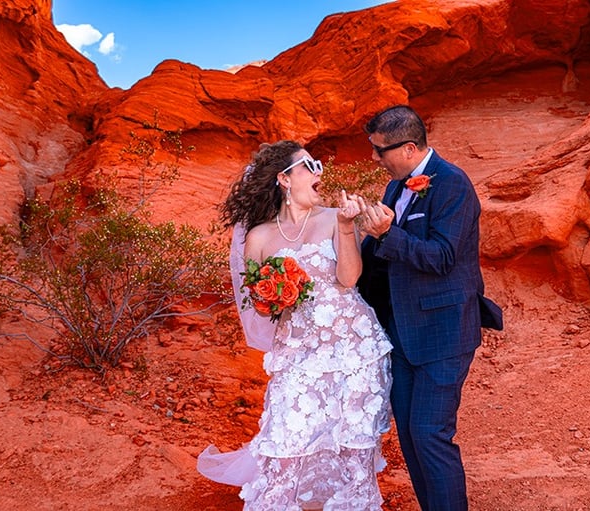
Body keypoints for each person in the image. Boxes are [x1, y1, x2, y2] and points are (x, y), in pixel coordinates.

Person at [197, 140, 393, 511]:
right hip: (298, 358)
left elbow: (349, 278)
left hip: (355, 354)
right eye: (309, 165)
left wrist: (347, 227)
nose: (319, 171)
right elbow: (255, 301)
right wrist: (276, 297)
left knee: (354, 454)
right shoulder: (259, 238)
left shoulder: (335, 217)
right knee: (285, 449)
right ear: (284, 179)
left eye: (319, 164)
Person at [357, 105, 503, 511]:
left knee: (429, 434)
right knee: (408, 433)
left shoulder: (453, 184)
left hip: (443, 330)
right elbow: (383, 253)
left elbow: (441, 257)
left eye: (379, 150)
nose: (374, 158)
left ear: (407, 148)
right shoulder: (396, 186)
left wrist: (387, 233)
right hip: (401, 331)